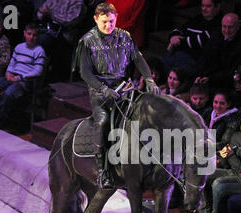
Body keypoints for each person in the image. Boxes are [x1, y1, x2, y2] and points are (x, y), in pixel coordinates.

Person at [75, 2, 160, 189]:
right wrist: (104, 89)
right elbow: (85, 73)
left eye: (112, 21)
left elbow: (138, 58)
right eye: (104, 22)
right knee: (103, 121)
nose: (108, 26)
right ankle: (102, 171)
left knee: (146, 115)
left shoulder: (125, 37)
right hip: (100, 91)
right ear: (96, 19)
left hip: (124, 87)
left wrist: (149, 79)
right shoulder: (87, 42)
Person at [0, 22, 46, 129]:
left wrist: (19, 78)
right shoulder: (19, 47)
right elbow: (12, 63)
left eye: (34, 35)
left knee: (9, 92)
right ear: (24, 33)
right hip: (12, 76)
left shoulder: (39, 51)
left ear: (37, 36)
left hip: (25, 81)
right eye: (29, 34)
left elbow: (37, 71)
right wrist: (8, 73)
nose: (31, 37)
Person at [162, 0, 223, 77]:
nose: (204, 9)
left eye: (208, 6)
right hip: (177, 53)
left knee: (171, 73)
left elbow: (202, 41)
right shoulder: (197, 18)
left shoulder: (219, 23)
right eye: (202, 5)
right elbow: (178, 30)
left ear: (217, 7)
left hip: (192, 60)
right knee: (154, 67)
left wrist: (180, 42)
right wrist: (173, 38)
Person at [194, 13, 241, 90]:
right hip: (207, 76)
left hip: (224, 82)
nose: (226, 30)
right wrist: (199, 75)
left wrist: (210, 78)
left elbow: (232, 70)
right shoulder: (216, 35)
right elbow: (204, 56)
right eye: (224, 26)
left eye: (230, 27)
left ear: (238, 26)